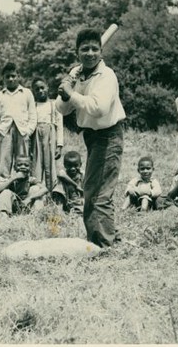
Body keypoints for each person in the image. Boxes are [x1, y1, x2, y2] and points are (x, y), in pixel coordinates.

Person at [56, 28, 126, 248]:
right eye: (84, 49)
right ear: (77, 52)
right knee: (92, 190)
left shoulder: (107, 76)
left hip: (109, 136)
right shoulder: (78, 74)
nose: (90, 53)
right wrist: (66, 89)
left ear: (101, 52)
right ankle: (103, 239)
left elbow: (99, 108)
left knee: (99, 195)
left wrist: (72, 94)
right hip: (92, 137)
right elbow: (62, 109)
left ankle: (104, 246)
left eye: (94, 49)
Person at [0, 62, 37, 178]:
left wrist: (28, 130)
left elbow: (33, 115)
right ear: (3, 78)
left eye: (13, 76)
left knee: (23, 163)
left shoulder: (26, 93)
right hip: (5, 132)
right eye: (7, 77)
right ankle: (3, 190)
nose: (11, 79)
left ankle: (22, 190)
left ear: (18, 76)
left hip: (22, 131)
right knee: (4, 164)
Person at [30, 77, 63, 191]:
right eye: (37, 89)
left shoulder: (54, 104)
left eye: (42, 88)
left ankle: (51, 190)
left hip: (50, 135)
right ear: (33, 92)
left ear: (47, 87)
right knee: (37, 163)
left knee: (50, 164)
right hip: (36, 135)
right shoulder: (33, 105)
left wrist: (59, 145)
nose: (40, 91)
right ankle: (37, 190)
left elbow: (59, 125)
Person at [52, 151, 84, 216]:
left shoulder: (82, 175)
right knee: (59, 184)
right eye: (69, 166)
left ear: (80, 164)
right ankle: (59, 208)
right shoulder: (64, 174)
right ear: (64, 165)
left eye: (76, 166)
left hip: (79, 203)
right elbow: (60, 174)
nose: (73, 168)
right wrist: (76, 185)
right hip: (66, 203)